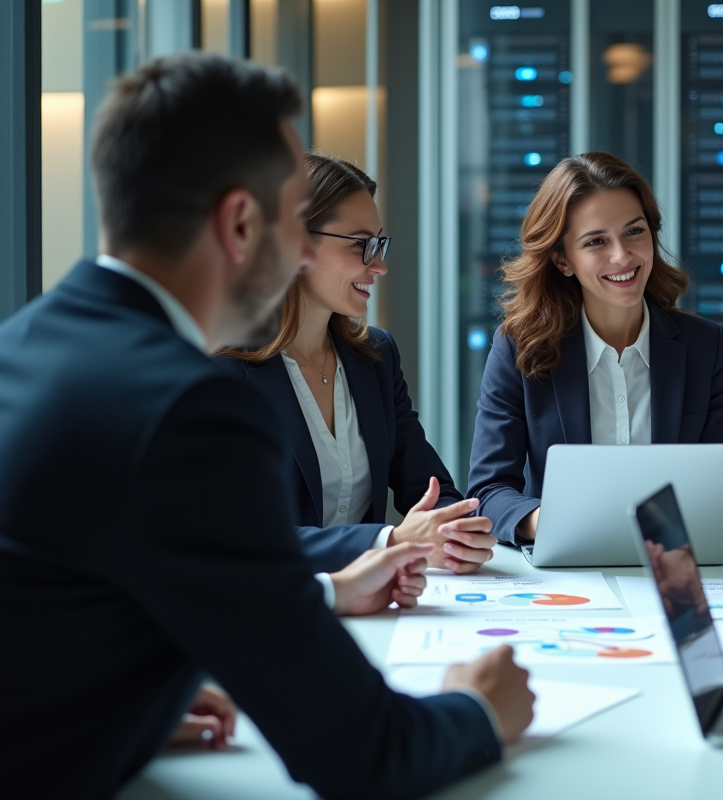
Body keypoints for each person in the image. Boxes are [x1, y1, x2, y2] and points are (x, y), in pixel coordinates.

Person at [0, 53, 533, 798]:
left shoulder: (25, 343)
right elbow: (361, 754)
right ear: (241, 223)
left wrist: (133, 700)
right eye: (293, 225)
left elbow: (56, 600)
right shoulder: (189, 408)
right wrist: (480, 710)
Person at [217, 153, 496, 574]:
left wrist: (456, 529)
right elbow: (244, 538)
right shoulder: (222, 371)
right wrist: (391, 541)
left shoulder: (376, 357)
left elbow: (431, 488)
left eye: (380, 244)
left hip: (377, 612)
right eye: (361, 244)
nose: (379, 265)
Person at [467, 152, 723, 545]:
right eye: (596, 241)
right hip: (565, 569)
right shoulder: (518, 348)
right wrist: (551, 521)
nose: (622, 256)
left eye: (634, 232)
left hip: (676, 561)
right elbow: (488, 493)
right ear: (562, 260)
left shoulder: (704, 347)